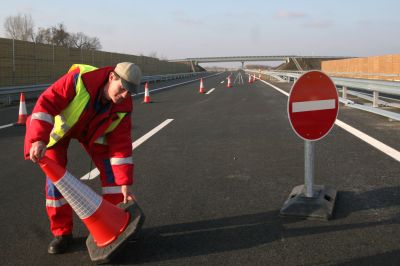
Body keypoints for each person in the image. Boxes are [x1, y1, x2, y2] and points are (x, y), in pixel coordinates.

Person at [24, 62, 142, 254]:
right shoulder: (79, 80)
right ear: (112, 77)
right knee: (56, 183)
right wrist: (38, 139)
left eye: (129, 93)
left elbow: (121, 145)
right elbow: (45, 103)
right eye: (121, 90)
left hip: (93, 134)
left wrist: (125, 182)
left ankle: (116, 225)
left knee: (114, 178)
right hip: (61, 131)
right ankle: (62, 233)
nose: (123, 97)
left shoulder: (123, 106)